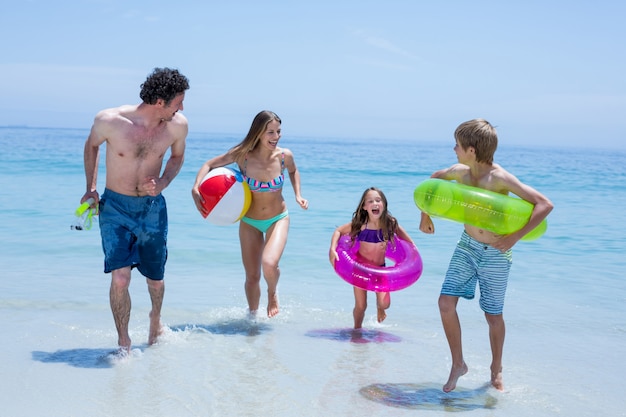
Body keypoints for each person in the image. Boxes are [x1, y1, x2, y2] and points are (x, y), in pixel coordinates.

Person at [419, 118, 553, 393]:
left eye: (457, 144)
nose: (453, 148)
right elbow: (433, 180)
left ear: (471, 150)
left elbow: (544, 204)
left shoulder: (500, 178)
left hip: (495, 254)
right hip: (467, 246)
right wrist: (425, 215)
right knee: (445, 304)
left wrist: (515, 237)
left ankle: (496, 368)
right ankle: (458, 364)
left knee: (493, 316)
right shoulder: (460, 172)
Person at [80, 67, 190, 354]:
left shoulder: (177, 126)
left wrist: (164, 181)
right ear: (160, 102)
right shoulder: (110, 120)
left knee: (155, 279)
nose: (182, 108)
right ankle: (124, 342)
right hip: (115, 207)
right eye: (178, 102)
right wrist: (91, 188)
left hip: (152, 210)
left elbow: (177, 157)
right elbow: (91, 147)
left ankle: (155, 319)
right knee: (120, 277)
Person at [191, 110, 308, 318]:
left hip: (277, 218)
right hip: (250, 221)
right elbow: (209, 164)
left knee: (269, 264)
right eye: (270, 132)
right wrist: (196, 187)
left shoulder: (284, 156)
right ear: (258, 133)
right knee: (252, 276)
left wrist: (298, 194)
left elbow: (293, 171)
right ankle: (252, 318)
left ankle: (272, 293)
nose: (276, 137)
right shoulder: (242, 156)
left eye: (278, 132)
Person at [329, 187, 415, 329]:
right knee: (361, 306)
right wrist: (333, 249)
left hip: (380, 270)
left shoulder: (390, 224)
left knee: (385, 304)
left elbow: (407, 240)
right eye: (370, 201)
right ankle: (357, 329)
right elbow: (338, 231)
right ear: (364, 207)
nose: (375, 203)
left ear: (384, 204)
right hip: (360, 269)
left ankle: (379, 308)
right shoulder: (361, 225)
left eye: (378, 200)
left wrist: (413, 251)